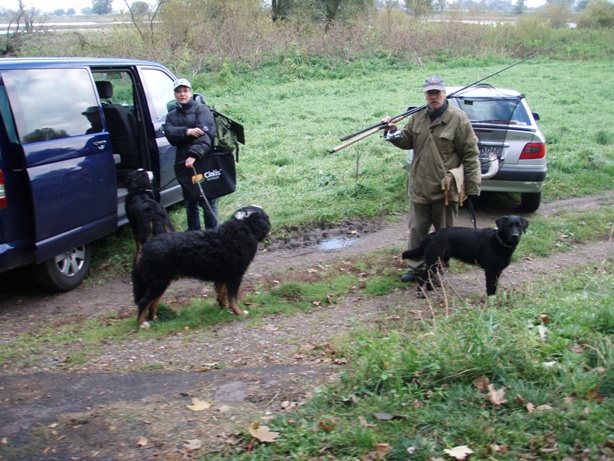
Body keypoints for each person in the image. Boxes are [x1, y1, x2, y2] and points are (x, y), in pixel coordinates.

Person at [381, 75, 481, 283]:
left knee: (444, 233)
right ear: (425, 95)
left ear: (444, 94)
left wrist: (472, 188)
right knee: (417, 230)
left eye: (437, 93)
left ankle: (437, 269)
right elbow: (407, 140)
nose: (433, 97)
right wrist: (392, 132)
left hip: (445, 189)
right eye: (429, 93)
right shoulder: (417, 116)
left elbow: (470, 154)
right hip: (419, 185)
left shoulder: (458, 119)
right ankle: (416, 268)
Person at [164, 78, 218, 230]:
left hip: (203, 160)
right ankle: (193, 235)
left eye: (185, 91)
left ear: (190, 92)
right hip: (184, 162)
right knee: (190, 200)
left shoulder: (201, 110)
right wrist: (187, 131)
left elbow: (207, 134)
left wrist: (194, 155)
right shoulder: (172, 115)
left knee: (207, 200)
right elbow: (170, 134)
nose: (182, 94)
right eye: (179, 91)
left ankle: (212, 235)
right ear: (175, 94)